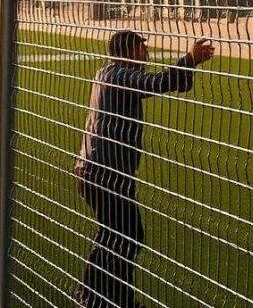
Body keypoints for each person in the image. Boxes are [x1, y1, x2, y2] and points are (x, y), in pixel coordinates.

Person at [74, 29, 215, 308]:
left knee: (119, 234)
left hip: (98, 172)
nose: (147, 54)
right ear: (130, 52)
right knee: (125, 234)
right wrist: (190, 60)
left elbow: (165, 84)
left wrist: (188, 67)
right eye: (143, 48)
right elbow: (158, 83)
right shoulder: (120, 76)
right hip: (106, 174)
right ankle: (94, 296)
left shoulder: (109, 74)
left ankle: (108, 298)